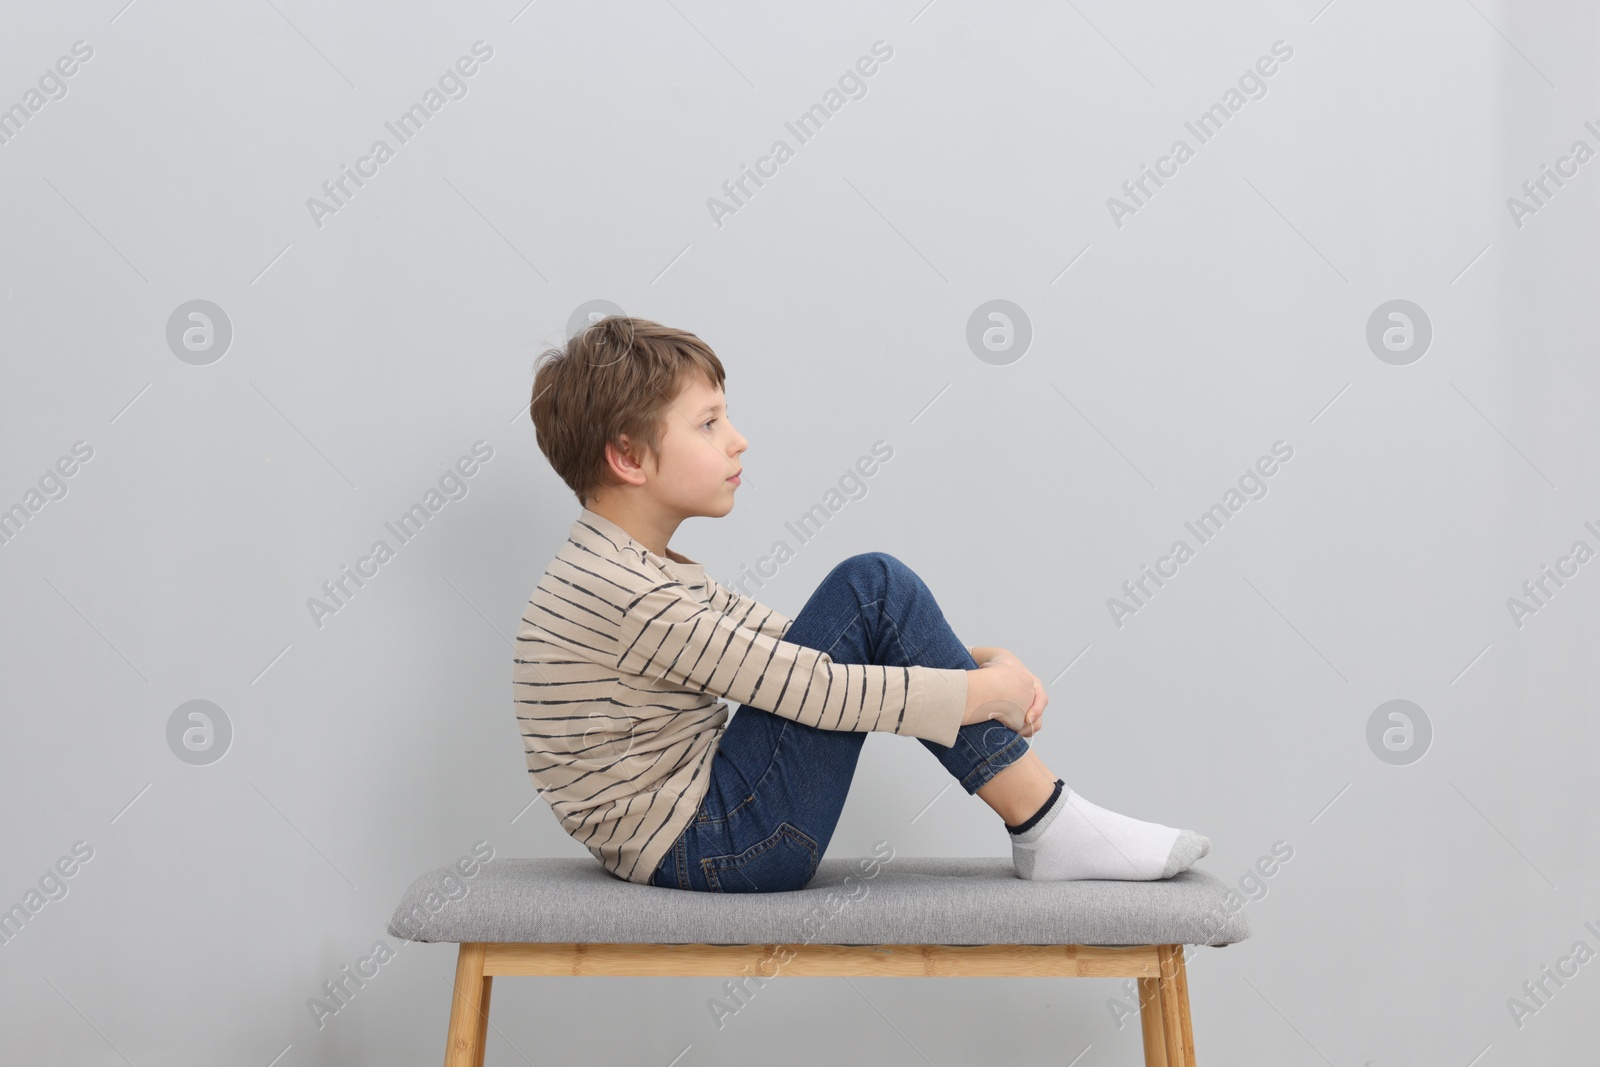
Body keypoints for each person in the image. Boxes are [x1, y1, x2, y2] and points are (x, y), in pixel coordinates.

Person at [517, 315, 1209, 892]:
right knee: (872, 583)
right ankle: (1047, 822)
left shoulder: (624, 569)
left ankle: (1047, 823)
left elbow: (792, 647)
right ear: (629, 458)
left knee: (872, 595)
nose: (738, 439)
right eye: (708, 424)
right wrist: (979, 692)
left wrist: (975, 671)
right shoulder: (626, 596)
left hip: (706, 830)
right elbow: (816, 688)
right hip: (720, 846)